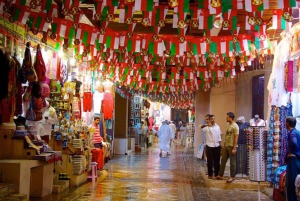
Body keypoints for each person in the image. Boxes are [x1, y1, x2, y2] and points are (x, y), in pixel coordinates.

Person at [216, 112, 239, 183]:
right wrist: (224, 145)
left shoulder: (235, 126)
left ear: (231, 118)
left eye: (227, 117)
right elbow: (226, 135)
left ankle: (232, 176)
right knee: (223, 160)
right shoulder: (228, 125)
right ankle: (220, 174)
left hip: (232, 146)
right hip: (226, 145)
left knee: (232, 162)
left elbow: (236, 138)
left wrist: (234, 148)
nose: (226, 118)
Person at [201, 114, 222, 179]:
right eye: (211, 119)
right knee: (210, 161)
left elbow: (219, 135)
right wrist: (207, 124)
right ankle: (210, 174)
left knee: (217, 161)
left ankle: (216, 174)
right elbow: (200, 127)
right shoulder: (207, 127)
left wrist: (220, 143)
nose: (213, 120)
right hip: (209, 146)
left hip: (217, 145)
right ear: (209, 120)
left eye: (214, 119)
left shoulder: (217, 127)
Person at [285, 116, 300, 201]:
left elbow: (294, 143)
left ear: (288, 124)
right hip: (298, 160)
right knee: (297, 183)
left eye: (286, 122)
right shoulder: (298, 132)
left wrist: (291, 152)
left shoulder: (292, 133)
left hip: (293, 160)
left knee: (291, 184)